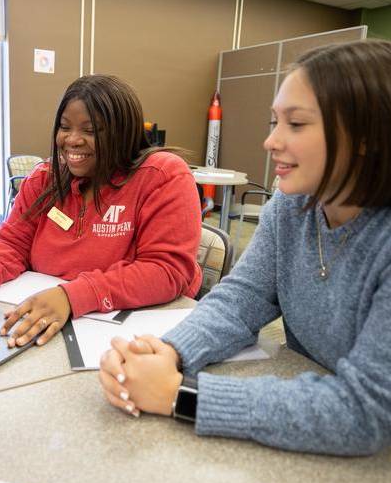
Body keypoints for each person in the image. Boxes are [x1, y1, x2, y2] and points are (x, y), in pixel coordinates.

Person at [99, 39, 391, 456]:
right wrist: (170, 352)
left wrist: (179, 396)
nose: (271, 142)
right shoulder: (291, 207)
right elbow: (242, 299)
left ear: (367, 137)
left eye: (296, 124)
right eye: (275, 122)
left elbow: (364, 413)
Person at [0, 74, 203, 348]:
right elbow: (12, 244)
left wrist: (71, 297)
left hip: (130, 335)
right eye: (64, 127)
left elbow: (167, 270)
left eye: (90, 130)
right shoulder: (45, 178)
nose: (72, 140)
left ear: (124, 132)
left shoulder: (163, 175)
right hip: (49, 324)